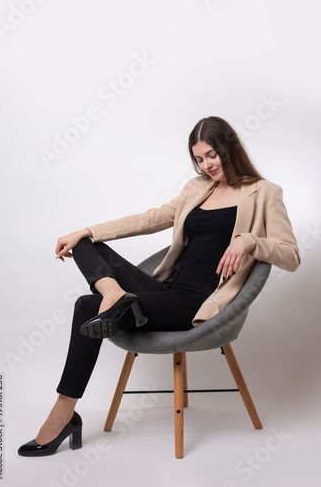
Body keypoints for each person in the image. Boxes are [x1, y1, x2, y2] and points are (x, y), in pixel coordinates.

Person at [18, 116, 300, 456]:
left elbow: (290, 256)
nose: (206, 165)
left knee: (84, 306)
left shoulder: (265, 192)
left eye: (212, 155)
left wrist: (248, 241)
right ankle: (113, 294)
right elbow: (149, 219)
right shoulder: (196, 189)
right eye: (198, 159)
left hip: (195, 302)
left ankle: (62, 415)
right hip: (165, 289)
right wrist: (87, 230)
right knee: (84, 244)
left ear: (229, 148)